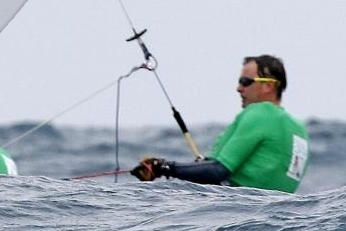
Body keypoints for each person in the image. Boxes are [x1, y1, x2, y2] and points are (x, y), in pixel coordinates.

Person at [132, 54, 309, 192]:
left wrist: (163, 167)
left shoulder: (260, 113)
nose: (239, 88)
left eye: (245, 82)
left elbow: (218, 171)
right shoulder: (300, 130)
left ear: (268, 85)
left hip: (236, 210)